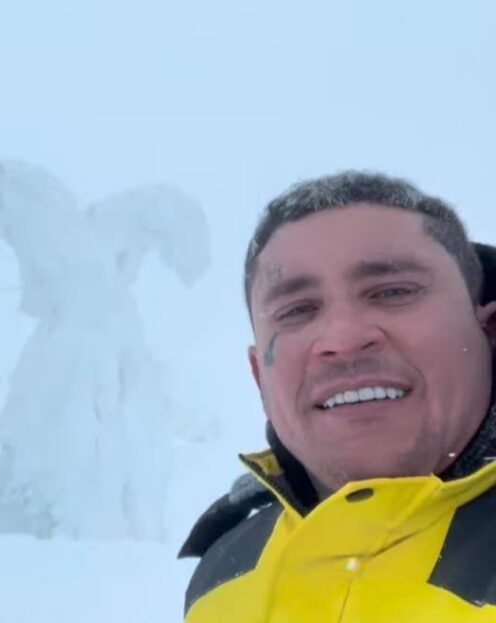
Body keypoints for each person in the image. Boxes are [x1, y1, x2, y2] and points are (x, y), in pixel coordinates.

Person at [179, 172, 496, 621]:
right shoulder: (223, 572)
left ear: (489, 332)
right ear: (259, 378)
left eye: (393, 291)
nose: (343, 339)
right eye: (298, 310)